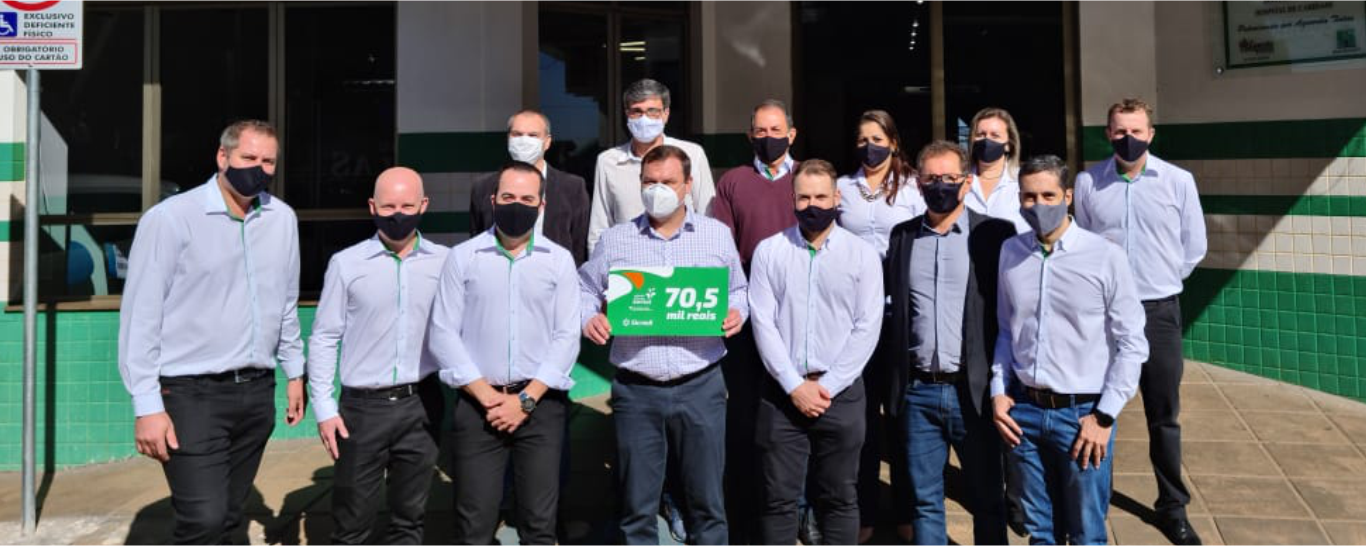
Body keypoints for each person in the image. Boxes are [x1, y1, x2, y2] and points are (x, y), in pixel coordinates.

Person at [118, 120, 306, 546]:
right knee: (203, 519)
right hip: (191, 396)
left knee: (228, 519)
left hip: (256, 394)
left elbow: (285, 302)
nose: (258, 168)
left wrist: (295, 371)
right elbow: (141, 316)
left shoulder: (282, 219)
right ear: (223, 157)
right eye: (248, 158)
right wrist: (146, 405)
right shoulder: (171, 219)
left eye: (268, 161)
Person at [579, 145, 748, 546]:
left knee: (708, 503)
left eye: (668, 182)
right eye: (650, 182)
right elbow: (584, 289)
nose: (658, 190)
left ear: (688, 184)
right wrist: (589, 317)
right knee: (637, 507)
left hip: (701, 383)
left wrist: (737, 313)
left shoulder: (716, 235)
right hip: (637, 388)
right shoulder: (616, 240)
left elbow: (738, 290)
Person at [991, 155, 1148, 545]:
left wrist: (1104, 417)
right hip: (1024, 413)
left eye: (1048, 195)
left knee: (1086, 533)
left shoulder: (1105, 256)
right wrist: (998, 391)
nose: (1037, 205)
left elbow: (1132, 343)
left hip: (1082, 418)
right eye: (1029, 197)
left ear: (1068, 196)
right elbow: (1007, 331)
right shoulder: (1010, 252)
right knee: (1040, 532)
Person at [1074, 98, 1207, 546]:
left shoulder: (1178, 181)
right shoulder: (1088, 182)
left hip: (1157, 312)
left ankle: (1172, 507)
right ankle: (1091, 501)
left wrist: (1159, 281)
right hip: (1104, 314)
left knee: (1163, 414)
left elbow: (1194, 246)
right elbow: (1084, 243)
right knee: (1097, 409)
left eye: (1135, 130)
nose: (1127, 138)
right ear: (1107, 134)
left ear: (1150, 133)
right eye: (1119, 131)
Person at [429, 161, 580, 545]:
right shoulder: (462, 257)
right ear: (493, 200)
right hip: (478, 407)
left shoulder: (559, 260)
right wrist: (489, 397)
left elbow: (567, 336)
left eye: (527, 199)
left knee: (539, 525)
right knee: (474, 525)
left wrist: (525, 400)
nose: (517, 205)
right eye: (508, 196)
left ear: (541, 205)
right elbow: (443, 333)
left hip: (541, 406)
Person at [306, 167, 447, 546]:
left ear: (424, 205)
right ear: (372, 206)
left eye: (407, 206)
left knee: (409, 520)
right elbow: (325, 337)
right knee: (352, 524)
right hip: (362, 411)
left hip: (422, 403)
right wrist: (324, 409)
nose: (398, 214)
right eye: (388, 206)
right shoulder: (346, 263)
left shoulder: (446, 262)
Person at [883, 141, 1014, 546]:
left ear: (967, 182)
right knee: (924, 501)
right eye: (931, 178)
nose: (940, 185)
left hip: (972, 393)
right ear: (919, 183)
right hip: (918, 392)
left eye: (949, 178)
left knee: (988, 500)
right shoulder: (902, 236)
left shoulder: (994, 235)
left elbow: (1009, 314)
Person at [748, 159, 883, 546]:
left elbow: (867, 326)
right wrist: (794, 385)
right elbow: (763, 323)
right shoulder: (769, 251)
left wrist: (828, 386)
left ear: (837, 198)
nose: (812, 205)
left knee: (839, 497)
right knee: (777, 499)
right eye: (804, 197)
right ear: (792, 199)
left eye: (821, 197)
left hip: (841, 394)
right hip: (782, 394)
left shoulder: (862, 255)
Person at [708, 98, 801, 544]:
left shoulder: (810, 179)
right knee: (746, 415)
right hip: (746, 318)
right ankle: (744, 514)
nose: (769, 138)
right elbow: (720, 248)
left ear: (792, 134)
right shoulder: (733, 182)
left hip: (799, 318)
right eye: (760, 131)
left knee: (797, 414)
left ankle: (800, 508)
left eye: (776, 130)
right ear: (750, 136)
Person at [836, 109, 922, 543]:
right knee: (862, 422)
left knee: (903, 419)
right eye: (862, 139)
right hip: (854, 319)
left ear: (893, 141)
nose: (869, 147)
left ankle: (907, 509)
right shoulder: (841, 189)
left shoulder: (913, 188)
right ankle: (865, 511)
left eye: (877, 138)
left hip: (898, 317)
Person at [588, 78, 716, 253]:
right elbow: (599, 227)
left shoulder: (693, 154)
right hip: (628, 260)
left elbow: (708, 214)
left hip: (684, 258)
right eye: (637, 111)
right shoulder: (608, 161)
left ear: (666, 114)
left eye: (652, 111)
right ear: (627, 114)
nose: (644, 119)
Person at [470, 109, 591, 264]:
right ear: (508, 139)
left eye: (533, 135)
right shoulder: (483, 186)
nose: (524, 140)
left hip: (553, 273)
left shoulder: (572, 187)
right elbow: (477, 237)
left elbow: (579, 245)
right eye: (517, 134)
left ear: (547, 142)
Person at [965, 108, 1029, 232]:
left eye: (995, 135)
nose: (987, 140)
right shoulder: (959, 180)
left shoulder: (1023, 181)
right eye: (980, 135)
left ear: (1008, 145)